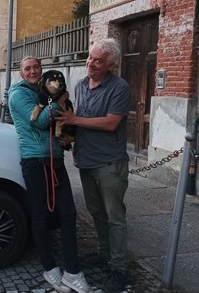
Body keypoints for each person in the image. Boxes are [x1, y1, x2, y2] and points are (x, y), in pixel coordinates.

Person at [8, 56, 92, 293]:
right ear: (21, 72)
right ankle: (49, 267)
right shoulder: (19, 94)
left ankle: (73, 272)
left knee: (68, 213)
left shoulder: (41, 92)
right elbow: (41, 122)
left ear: (41, 70)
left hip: (55, 160)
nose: (32, 71)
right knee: (40, 215)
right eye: (27, 68)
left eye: (36, 67)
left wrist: (58, 101)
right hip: (34, 161)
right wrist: (60, 100)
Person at [57, 38, 131, 293]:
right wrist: (68, 135)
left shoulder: (119, 87)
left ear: (111, 65)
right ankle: (104, 253)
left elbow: (111, 123)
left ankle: (119, 269)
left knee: (115, 218)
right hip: (86, 161)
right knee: (97, 214)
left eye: (98, 61)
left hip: (110, 164)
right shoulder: (80, 85)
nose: (90, 63)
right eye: (90, 57)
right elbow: (79, 122)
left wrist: (75, 120)